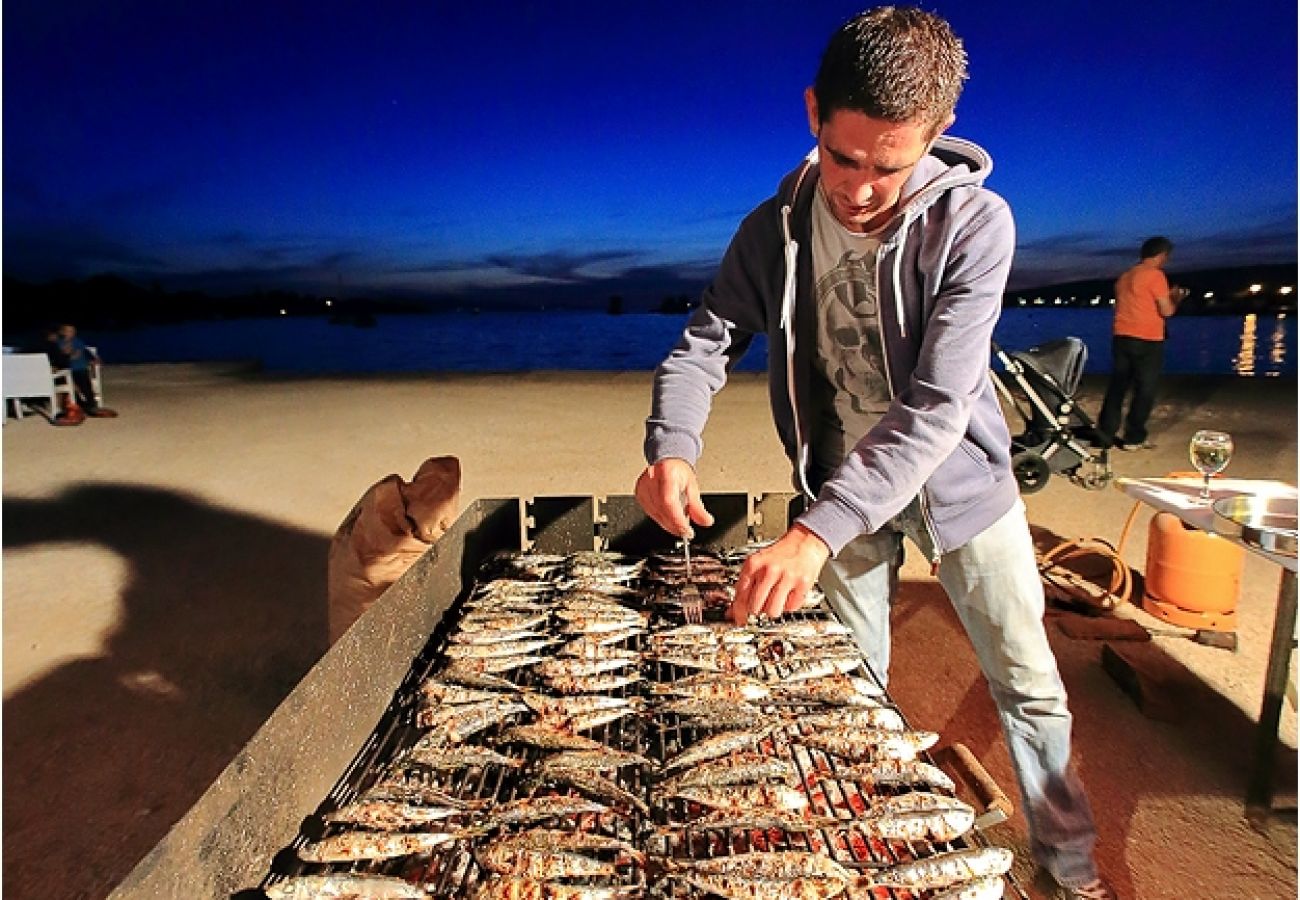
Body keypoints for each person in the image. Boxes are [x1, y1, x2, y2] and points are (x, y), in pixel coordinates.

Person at [634, 8, 1114, 899]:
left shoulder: (977, 225)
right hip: (835, 489)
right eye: (841, 157)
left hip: (962, 492)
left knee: (1029, 683)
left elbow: (938, 407)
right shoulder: (772, 227)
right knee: (851, 688)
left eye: (886, 167)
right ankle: (864, 857)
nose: (855, 189)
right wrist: (671, 447)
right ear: (815, 110)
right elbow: (704, 341)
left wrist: (814, 533)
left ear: (935, 136)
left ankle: (1072, 870)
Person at [1096, 237, 1187, 450]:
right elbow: (1166, 311)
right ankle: (1133, 436)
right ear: (1162, 255)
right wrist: (1176, 298)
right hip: (1148, 339)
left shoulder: (1125, 277)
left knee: (1117, 386)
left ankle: (1105, 433)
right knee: (1145, 389)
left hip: (1122, 335)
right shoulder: (1155, 276)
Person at [55, 323, 118, 418]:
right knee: (66, 383)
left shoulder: (77, 341)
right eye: (68, 331)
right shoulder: (59, 343)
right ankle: (78, 404)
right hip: (67, 370)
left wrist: (93, 359)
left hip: (80, 368)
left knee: (85, 384)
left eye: (72, 331)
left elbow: (78, 353)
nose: (71, 333)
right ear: (62, 332)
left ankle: (91, 404)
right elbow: (62, 354)